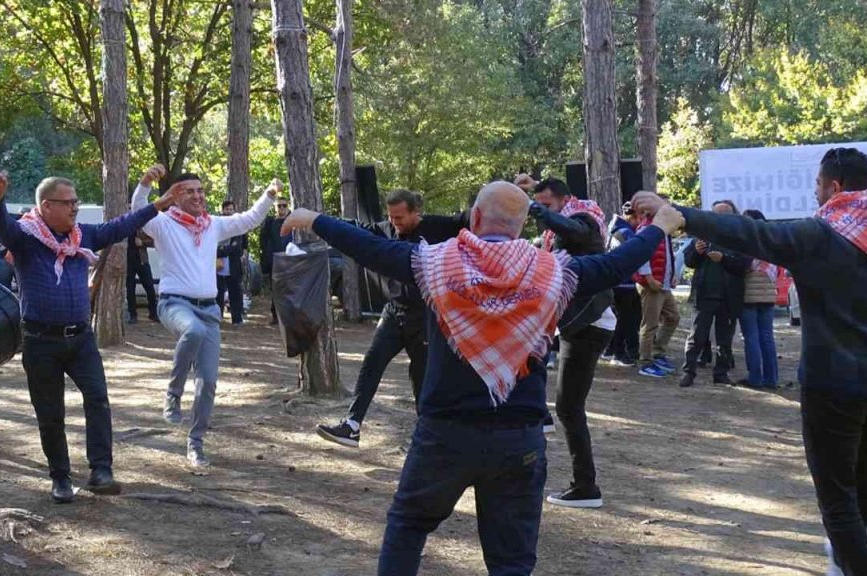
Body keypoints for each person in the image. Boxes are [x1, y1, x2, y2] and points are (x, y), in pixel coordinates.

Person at [281, 181, 678, 575]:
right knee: (511, 562)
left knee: (408, 526)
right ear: (522, 226)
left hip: (444, 434)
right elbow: (616, 264)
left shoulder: (434, 263)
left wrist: (316, 220)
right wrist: (658, 226)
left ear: (474, 218)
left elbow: (373, 249)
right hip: (519, 437)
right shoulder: (554, 272)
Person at [632, 147, 867, 575]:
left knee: (837, 501)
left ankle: (852, 564)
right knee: (860, 477)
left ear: (834, 186)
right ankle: (845, 560)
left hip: (833, 386)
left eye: (817, 185)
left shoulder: (818, 236)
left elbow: (746, 232)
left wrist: (678, 212)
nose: (815, 193)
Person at [0, 165, 173, 502]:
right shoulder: (26, 237)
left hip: (81, 340)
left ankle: (101, 470)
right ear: (46, 206)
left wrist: (156, 204)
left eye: (75, 202)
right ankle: (60, 477)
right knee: (50, 412)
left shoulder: (82, 237)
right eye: (67, 202)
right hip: (40, 341)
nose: (74, 207)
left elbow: (120, 227)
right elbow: (2, 225)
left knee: (98, 400)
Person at [135, 173, 282, 468]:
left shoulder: (212, 225)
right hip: (174, 304)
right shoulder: (163, 223)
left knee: (209, 381)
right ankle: (173, 394)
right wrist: (146, 184)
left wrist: (268, 196)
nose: (198, 196)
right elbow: (138, 209)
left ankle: (196, 443)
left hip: (209, 310)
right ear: (175, 196)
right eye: (189, 191)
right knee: (192, 330)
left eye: (200, 191)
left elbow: (248, 219)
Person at [316, 189, 467, 448]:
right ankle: (352, 425)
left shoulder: (439, 227)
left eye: (400, 217)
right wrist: (320, 221)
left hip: (426, 316)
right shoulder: (385, 229)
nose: (395, 223)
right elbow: (357, 228)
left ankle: (425, 437)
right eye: (391, 217)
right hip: (393, 311)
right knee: (372, 363)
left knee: (421, 378)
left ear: (415, 212)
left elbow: (469, 220)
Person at [515, 175, 619, 510]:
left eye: (546, 205)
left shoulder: (583, 218)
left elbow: (573, 230)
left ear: (562, 200)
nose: (542, 211)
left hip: (588, 323)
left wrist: (534, 208)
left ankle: (586, 486)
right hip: (577, 324)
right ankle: (539, 420)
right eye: (540, 204)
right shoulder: (562, 222)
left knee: (570, 407)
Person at [679, 200, 748, 387]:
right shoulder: (703, 235)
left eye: (724, 214)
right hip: (705, 293)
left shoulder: (739, 237)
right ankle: (688, 372)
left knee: (724, 338)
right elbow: (689, 261)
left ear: (733, 216)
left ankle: (721, 373)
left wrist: (724, 259)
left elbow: (744, 265)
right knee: (697, 336)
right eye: (716, 214)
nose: (719, 218)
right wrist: (696, 251)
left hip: (729, 296)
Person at [636, 212, 681, 378]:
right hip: (652, 285)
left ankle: (658, 353)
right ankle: (645, 363)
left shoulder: (664, 230)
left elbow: (668, 255)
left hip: (664, 283)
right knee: (650, 325)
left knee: (673, 317)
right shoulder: (646, 229)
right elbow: (641, 256)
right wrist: (648, 278)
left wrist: (673, 275)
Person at [738, 209, 779, 390]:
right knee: (767, 338)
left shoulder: (747, 243)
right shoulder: (771, 243)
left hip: (749, 296)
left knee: (752, 338)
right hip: (768, 296)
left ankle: (755, 378)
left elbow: (741, 267)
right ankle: (771, 379)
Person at [605, 201, 643, 366]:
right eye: (639, 218)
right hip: (624, 283)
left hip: (615, 282)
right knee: (625, 319)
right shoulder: (627, 233)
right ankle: (619, 353)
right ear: (633, 217)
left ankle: (610, 349)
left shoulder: (612, 230)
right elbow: (635, 256)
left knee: (620, 317)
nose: (641, 222)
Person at [258, 197, 291, 325]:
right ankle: (276, 316)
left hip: (290, 260)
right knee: (276, 289)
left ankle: (288, 316)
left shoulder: (293, 220)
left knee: (289, 289)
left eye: (284, 205)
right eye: (279, 206)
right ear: (275, 208)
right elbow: (263, 241)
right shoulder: (270, 222)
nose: (282, 208)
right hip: (275, 261)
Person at [215, 200, 248, 325]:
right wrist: (222, 251)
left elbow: (237, 247)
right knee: (217, 292)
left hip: (233, 265)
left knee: (235, 293)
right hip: (217, 265)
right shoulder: (216, 225)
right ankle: (217, 317)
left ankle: (237, 318)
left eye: (231, 209)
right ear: (222, 210)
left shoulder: (238, 226)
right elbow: (210, 245)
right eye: (226, 209)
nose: (228, 212)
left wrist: (221, 250)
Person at [125, 229, 158, 324]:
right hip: (127, 262)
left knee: (149, 287)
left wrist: (142, 242)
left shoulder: (142, 228)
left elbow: (153, 241)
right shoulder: (124, 229)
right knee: (130, 290)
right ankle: (132, 315)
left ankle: (153, 313)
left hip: (142, 261)